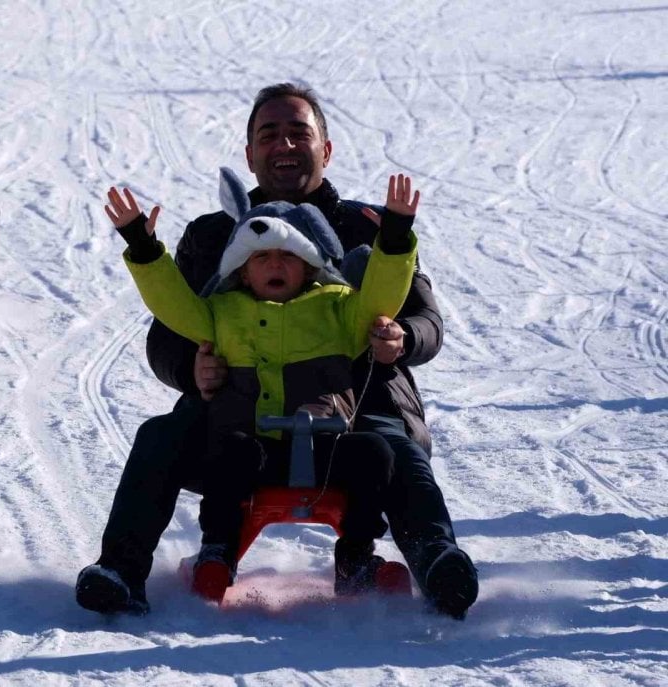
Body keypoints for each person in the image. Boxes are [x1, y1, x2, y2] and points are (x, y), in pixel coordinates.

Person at [77, 83, 478, 619]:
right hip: (238, 405)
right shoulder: (215, 233)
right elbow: (169, 332)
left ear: (325, 149)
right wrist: (192, 369)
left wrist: (402, 340)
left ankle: (438, 565)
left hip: (356, 403)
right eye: (269, 134)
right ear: (249, 154)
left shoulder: (368, 227)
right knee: (162, 436)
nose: (284, 144)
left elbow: (425, 318)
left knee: (395, 450)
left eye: (299, 132)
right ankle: (121, 574)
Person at [106, 169, 418, 601]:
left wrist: (396, 241)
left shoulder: (338, 309)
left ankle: (356, 558)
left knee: (374, 452)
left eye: (288, 256)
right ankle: (217, 551)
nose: (275, 264)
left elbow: (382, 300)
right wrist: (143, 248)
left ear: (310, 266)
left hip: (324, 449)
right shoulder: (221, 312)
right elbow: (173, 306)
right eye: (261, 257)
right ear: (242, 270)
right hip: (253, 448)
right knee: (231, 452)